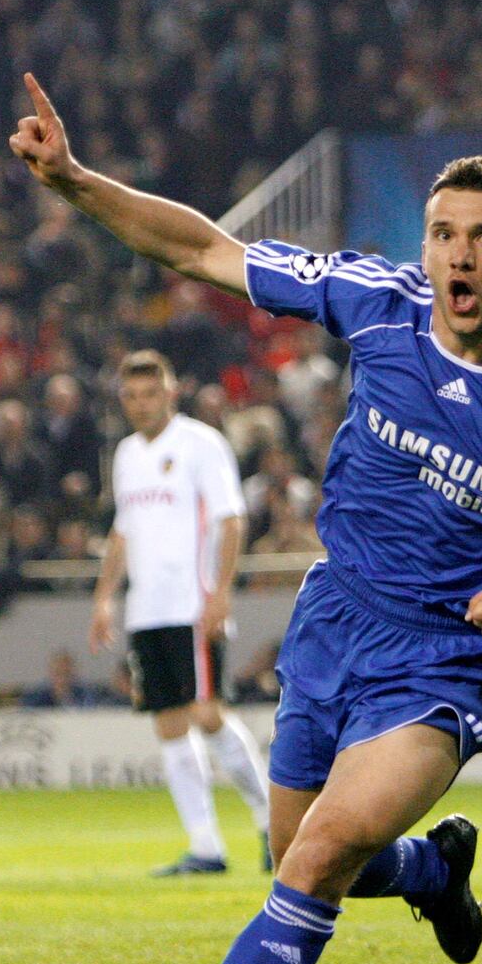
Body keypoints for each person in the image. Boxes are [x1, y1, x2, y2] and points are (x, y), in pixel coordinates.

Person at [10, 73, 482, 964]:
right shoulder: (373, 299)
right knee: (296, 850)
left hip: (440, 657)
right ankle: (434, 871)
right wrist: (70, 180)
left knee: (313, 865)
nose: (458, 255)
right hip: (335, 616)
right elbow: (204, 251)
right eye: (443, 232)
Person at [87, 348, 271, 877]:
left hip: (193, 603)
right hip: (146, 609)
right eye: (131, 396)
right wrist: (105, 596)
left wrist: (221, 592)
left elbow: (231, 520)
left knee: (209, 715)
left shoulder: (200, 444)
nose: (141, 404)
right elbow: (123, 530)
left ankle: (270, 824)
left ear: (171, 392)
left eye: (151, 393)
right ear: (122, 399)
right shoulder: (124, 455)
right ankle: (206, 847)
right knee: (169, 726)